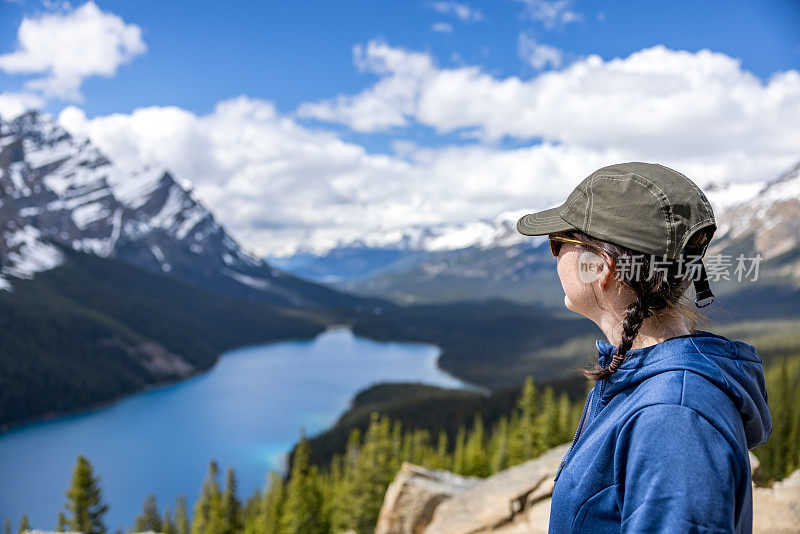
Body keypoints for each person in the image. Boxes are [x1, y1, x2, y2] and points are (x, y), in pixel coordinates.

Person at [515, 162, 772, 533]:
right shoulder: (645, 380)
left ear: (600, 268)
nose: (554, 255)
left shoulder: (674, 416)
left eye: (559, 243)